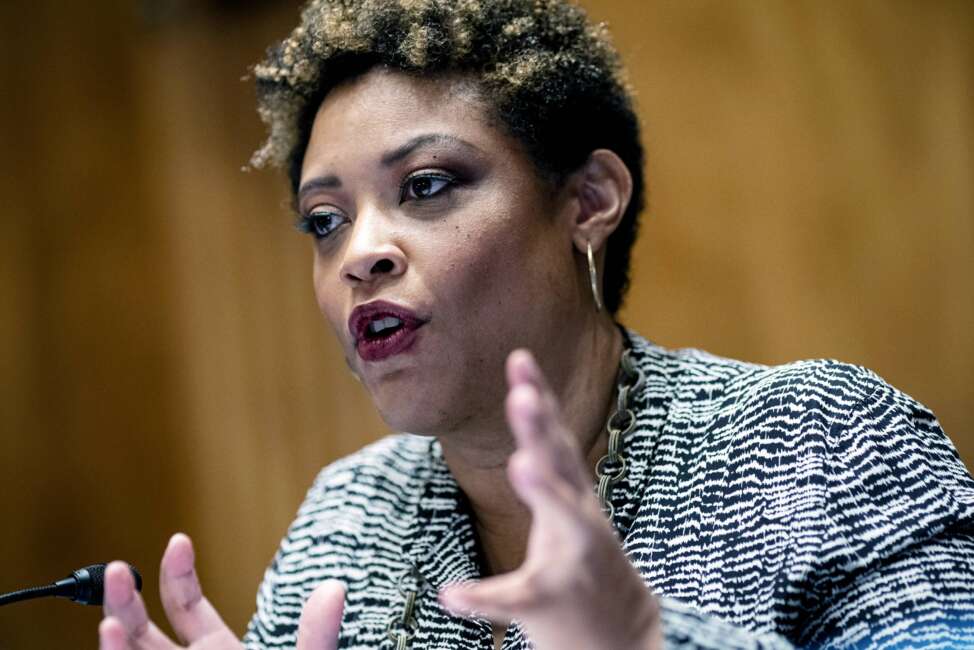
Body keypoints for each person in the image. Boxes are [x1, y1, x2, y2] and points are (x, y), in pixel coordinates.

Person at [97, 1, 974, 648]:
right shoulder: (345, 523)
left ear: (588, 200)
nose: (361, 252)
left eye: (428, 185)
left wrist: (641, 641)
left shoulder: (820, 441)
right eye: (324, 221)